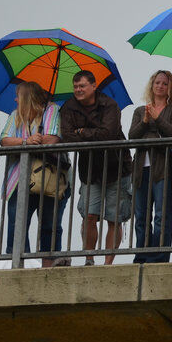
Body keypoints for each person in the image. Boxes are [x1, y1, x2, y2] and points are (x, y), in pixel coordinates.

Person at [60, 70, 132, 266]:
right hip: (90, 170)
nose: (78, 90)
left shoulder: (110, 105)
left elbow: (108, 134)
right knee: (89, 215)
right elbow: (66, 135)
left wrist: (82, 132)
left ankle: (108, 263)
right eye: (75, 87)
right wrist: (93, 133)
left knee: (114, 218)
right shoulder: (68, 107)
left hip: (117, 167)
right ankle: (89, 259)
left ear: (93, 86)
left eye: (82, 86)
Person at [0, 81, 68, 268]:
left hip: (49, 176)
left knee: (50, 224)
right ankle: (22, 263)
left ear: (28, 97)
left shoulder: (51, 110)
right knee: (16, 223)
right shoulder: (15, 116)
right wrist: (26, 140)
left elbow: (53, 138)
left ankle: (50, 264)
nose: (15, 99)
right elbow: (4, 140)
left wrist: (32, 141)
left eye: (18, 95)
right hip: (20, 178)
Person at [129, 70, 172, 263]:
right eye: (157, 82)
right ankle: (142, 255)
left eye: (164, 83)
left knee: (162, 214)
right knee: (142, 215)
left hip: (163, 168)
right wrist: (145, 121)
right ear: (151, 85)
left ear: (170, 88)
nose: (160, 86)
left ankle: (159, 256)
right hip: (141, 168)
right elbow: (132, 137)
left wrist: (158, 119)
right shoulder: (139, 111)